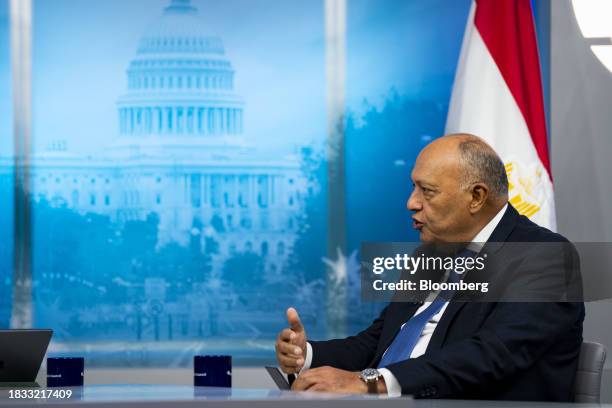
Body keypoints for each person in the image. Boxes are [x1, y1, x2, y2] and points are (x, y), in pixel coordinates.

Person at [275, 134, 584, 400]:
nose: (411, 202)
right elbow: (379, 341)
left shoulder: (545, 256)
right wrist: (307, 355)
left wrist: (371, 383)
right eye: (413, 187)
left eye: (427, 191)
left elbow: (491, 355)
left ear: (476, 196)